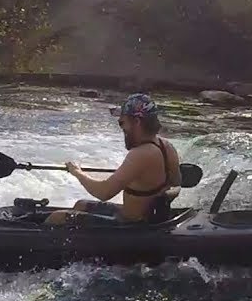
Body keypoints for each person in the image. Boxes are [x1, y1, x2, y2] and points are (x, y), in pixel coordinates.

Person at [45, 93, 181, 225]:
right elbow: (176, 183)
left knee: (57, 217)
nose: (122, 128)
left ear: (137, 122)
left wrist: (77, 172)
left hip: (131, 225)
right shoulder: (166, 146)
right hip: (147, 218)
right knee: (81, 205)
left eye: (122, 122)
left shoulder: (141, 154)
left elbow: (104, 192)